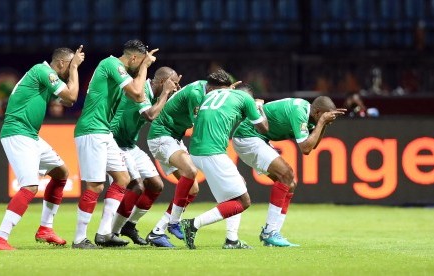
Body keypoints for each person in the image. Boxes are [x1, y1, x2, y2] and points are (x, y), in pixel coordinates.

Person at [0, 46, 85, 250]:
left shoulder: (44, 77)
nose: (69, 70)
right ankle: (0, 239)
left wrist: (72, 72)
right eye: (68, 66)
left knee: (61, 173)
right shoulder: (43, 71)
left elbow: (66, 101)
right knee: (30, 187)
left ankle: (45, 229)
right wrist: (75, 68)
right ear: (61, 63)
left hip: (30, 135)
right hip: (17, 133)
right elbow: (71, 97)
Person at [72, 40, 157, 249]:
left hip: (104, 131)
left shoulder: (121, 72)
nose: (141, 66)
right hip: (91, 129)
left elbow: (137, 93)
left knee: (122, 178)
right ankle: (79, 238)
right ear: (134, 58)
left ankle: (104, 234)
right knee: (96, 185)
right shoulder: (111, 64)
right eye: (140, 61)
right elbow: (138, 93)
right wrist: (145, 68)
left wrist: (143, 67)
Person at [232, 96, 346, 247]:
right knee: (286, 174)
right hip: (247, 136)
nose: (328, 119)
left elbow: (314, 145)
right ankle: (269, 232)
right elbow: (305, 148)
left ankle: (273, 234)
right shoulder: (299, 112)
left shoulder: (311, 115)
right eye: (325, 116)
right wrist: (322, 122)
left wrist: (323, 123)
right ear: (318, 112)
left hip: (258, 139)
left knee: (290, 183)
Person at [145, 69, 235, 247]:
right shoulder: (196, 94)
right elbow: (201, 125)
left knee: (192, 189)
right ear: (211, 89)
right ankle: (174, 222)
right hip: (161, 135)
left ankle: (157, 232)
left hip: (174, 137)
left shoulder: (208, 90)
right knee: (190, 170)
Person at [180, 85, 269, 250]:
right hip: (212, 153)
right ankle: (193, 224)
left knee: (234, 194)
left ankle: (231, 240)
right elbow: (264, 129)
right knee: (243, 201)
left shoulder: (215, 96)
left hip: (197, 151)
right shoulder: (245, 99)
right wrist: (258, 107)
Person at [109, 67, 181, 245]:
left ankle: (129, 226)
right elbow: (151, 115)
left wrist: (169, 95)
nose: (175, 88)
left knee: (156, 185)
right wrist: (165, 93)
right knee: (137, 187)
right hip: (114, 142)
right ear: (163, 82)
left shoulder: (156, 95)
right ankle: (112, 233)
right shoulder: (140, 90)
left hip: (130, 145)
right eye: (174, 84)